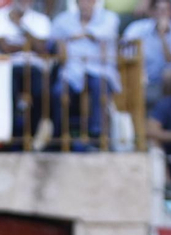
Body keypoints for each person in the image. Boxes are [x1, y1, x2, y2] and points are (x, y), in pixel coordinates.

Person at [51, 0, 120, 148]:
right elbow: (55, 39)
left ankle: (97, 137)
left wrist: (76, 36)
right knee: (58, 92)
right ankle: (59, 137)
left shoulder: (109, 17)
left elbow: (104, 33)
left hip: (100, 70)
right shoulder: (63, 20)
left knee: (99, 87)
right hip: (72, 71)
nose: (85, 4)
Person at [0, 0, 53, 145]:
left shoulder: (41, 19)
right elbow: (4, 47)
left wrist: (21, 26)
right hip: (7, 67)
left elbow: (41, 48)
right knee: (6, 95)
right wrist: (29, 44)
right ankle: (8, 138)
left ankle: (29, 137)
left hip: (34, 67)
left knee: (41, 93)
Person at [125, 0, 171, 97]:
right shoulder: (137, 28)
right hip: (143, 76)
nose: (161, 14)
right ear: (152, 12)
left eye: (165, 11)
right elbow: (125, 52)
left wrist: (162, 36)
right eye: (158, 10)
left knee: (169, 74)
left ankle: (167, 106)